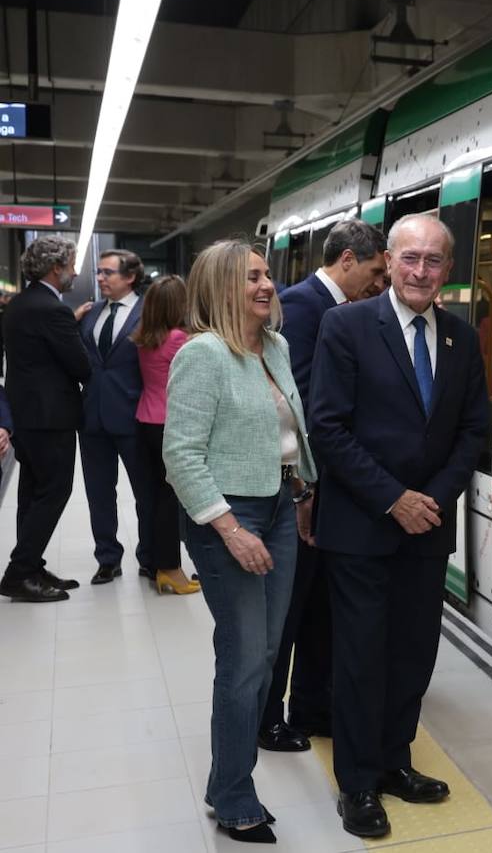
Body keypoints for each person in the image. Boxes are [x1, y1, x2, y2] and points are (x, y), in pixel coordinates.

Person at [309, 214, 488, 839]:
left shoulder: (461, 340)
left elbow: (473, 432)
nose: (420, 271)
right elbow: (327, 427)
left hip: (427, 529)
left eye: (433, 261)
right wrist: (395, 500)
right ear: (387, 260)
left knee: (413, 654)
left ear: (448, 269)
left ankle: (394, 762)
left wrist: (431, 501)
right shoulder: (347, 325)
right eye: (409, 258)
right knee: (361, 658)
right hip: (362, 527)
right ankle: (357, 784)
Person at [163, 239, 317, 844]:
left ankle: (223, 778)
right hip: (227, 514)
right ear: (221, 287)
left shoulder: (273, 347)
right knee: (247, 654)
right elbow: (180, 455)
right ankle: (233, 795)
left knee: (267, 650)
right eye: (250, 277)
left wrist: (301, 493)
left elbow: (286, 434)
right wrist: (229, 528)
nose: (265, 285)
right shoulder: (203, 355)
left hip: (279, 504)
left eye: (266, 275)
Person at [259, 218, 387, 756]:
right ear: (349, 261)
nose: (380, 284)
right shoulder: (304, 306)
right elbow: (302, 400)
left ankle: (311, 706)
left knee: (317, 608)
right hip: (304, 486)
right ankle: (268, 717)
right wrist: (309, 485)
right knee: (288, 609)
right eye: (377, 271)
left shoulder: (332, 307)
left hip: (330, 484)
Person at [0, 236, 91, 602]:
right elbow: (79, 363)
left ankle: (32, 565)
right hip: (51, 415)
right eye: (70, 265)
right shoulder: (52, 310)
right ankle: (19, 572)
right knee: (55, 490)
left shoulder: (20, 304)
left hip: (26, 413)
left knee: (33, 492)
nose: (74, 271)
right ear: (56, 269)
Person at [82, 248, 157, 585]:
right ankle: (107, 558)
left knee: (146, 492)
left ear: (130, 277)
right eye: (99, 272)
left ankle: (150, 556)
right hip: (92, 418)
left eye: (107, 273)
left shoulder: (149, 313)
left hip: (133, 416)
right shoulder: (91, 312)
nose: (100, 279)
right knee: (99, 492)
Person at [130, 275, 198, 596]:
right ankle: (171, 569)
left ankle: (158, 565)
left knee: (157, 496)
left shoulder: (146, 338)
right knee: (171, 500)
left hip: (146, 419)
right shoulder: (178, 339)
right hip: (170, 424)